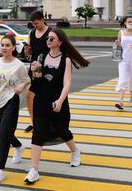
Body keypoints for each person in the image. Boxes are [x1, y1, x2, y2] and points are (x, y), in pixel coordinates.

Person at [25, 28, 90, 184]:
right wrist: (34, 72)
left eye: (52, 39)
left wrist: (60, 101)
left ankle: (75, 151)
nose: (48, 41)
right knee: (38, 132)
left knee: (62, 130)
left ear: (60, 42)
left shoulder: (65, 59)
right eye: (48, 38)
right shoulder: (42, 57)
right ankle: (34, 170)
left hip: (58, 101)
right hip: (41, 101)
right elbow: (38, 81)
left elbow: (67, 84)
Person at [0, 34, 31, 185]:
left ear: (13, 47)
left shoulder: (18, 65)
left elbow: (26, 80)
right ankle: (18, 146)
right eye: (2, 45)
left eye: (7, 45)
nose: (4, 48)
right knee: (3, 131)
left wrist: (21, 86)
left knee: (3, 135)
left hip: (11, 100)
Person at [23, 11, 51, 133]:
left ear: (42, 19)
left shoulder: (50, 32)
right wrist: (27, 50)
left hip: (46, 69)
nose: (35, 26)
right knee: (29, 95)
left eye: (36, 23)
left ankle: (47, 122)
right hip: (34, 68)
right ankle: (33, 122)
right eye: (33, 24)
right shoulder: (32, 33)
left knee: (45, 97)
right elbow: (28, 53)